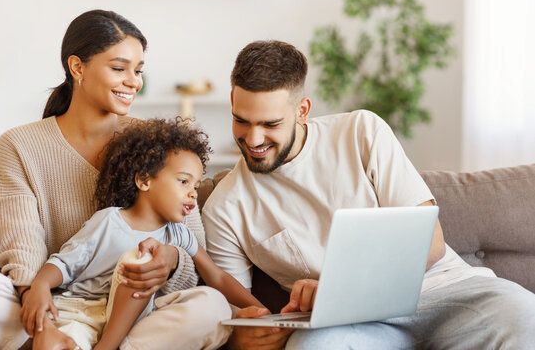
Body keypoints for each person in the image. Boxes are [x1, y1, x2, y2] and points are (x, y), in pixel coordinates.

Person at [202, 40, 535, 349]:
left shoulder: (360, 131)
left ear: (302, 110)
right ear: (232, 102)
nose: (253, 138)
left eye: (270, 124)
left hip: (443, 290)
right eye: (241, 121)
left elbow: (430, 243)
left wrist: (338, 290)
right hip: (349, 325)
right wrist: (238, 338)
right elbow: (236, 312)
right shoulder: (223, 208)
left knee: (522, 312)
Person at [0, 10, 231, 350]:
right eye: (119, 68)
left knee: (212, 307)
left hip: (138, 313)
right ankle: (57, 341)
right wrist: (38, 304)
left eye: (138, 70)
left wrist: (171, 260)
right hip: (59, 307)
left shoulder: (156, 142)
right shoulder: (19, 144)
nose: (133, 81)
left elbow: (193, 247)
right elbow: (24, 250)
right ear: (77, 68)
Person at [21, 118, 263, 350]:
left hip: (137, 325)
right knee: (141, 258)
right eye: (183, 181)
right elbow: (64, 265)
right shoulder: (109, 221)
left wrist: (265, 313)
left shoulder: (180, 234)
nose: (193, 193)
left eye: (196, 185)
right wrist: (40, 285)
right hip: (80, 314)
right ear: (144, 180)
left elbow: (217, 277)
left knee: (216, 305)